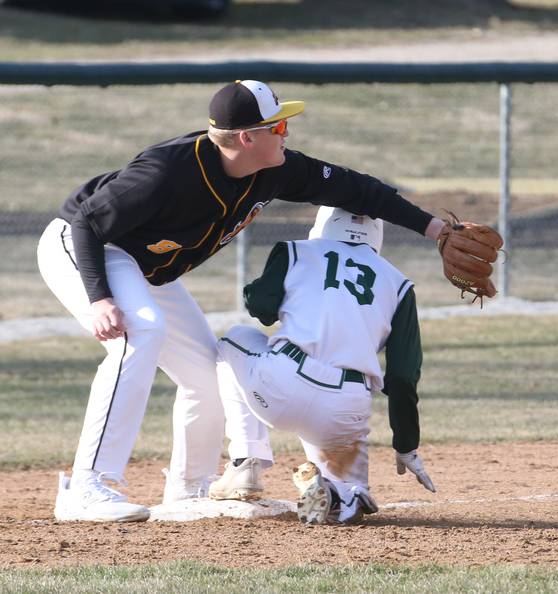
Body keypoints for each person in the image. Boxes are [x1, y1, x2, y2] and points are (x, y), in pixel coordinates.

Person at [36, 80, 447, 523]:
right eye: (279, 126)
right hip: (86, 247)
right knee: (142, 332)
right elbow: (87, 224)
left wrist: (435, 229)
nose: (287, 133)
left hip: (144, 268)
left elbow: (357, 189)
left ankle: (190, 487)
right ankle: (87, 485)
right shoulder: (165, 171)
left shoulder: (274, 168)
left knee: (206, 368)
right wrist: (99, 298)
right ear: (248, 138)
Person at [209, 206, 435, 524]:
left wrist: (257, 291)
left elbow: (261, 308)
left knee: (235, 338)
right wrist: (406, 444)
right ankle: (343, 494)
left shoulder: (295, 251)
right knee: (350, 493)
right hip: (345, 408)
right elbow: (402, 376)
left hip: (281, 385)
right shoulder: (399, 284)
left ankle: (245, 461)